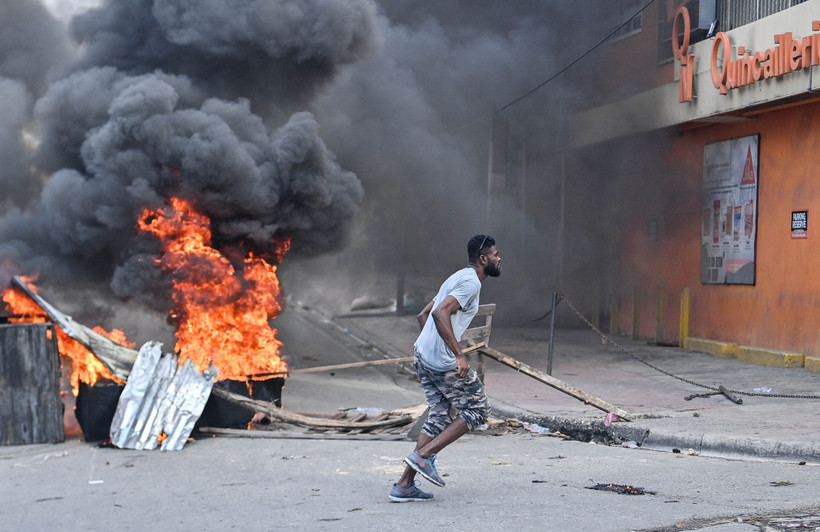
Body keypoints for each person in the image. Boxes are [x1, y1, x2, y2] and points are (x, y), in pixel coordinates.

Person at [389, 234, 501, 502]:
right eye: (496, 254)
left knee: (440, 413)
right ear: (483, 259)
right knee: (478, 409)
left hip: (422, 355)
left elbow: (423, 315)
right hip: (439, 360)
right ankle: (424, 456)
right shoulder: (471, 283)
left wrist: (430, 347)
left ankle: (404, 484)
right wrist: (458, 355)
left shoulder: (457, 276)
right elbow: (440, 314)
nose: (499, 259)